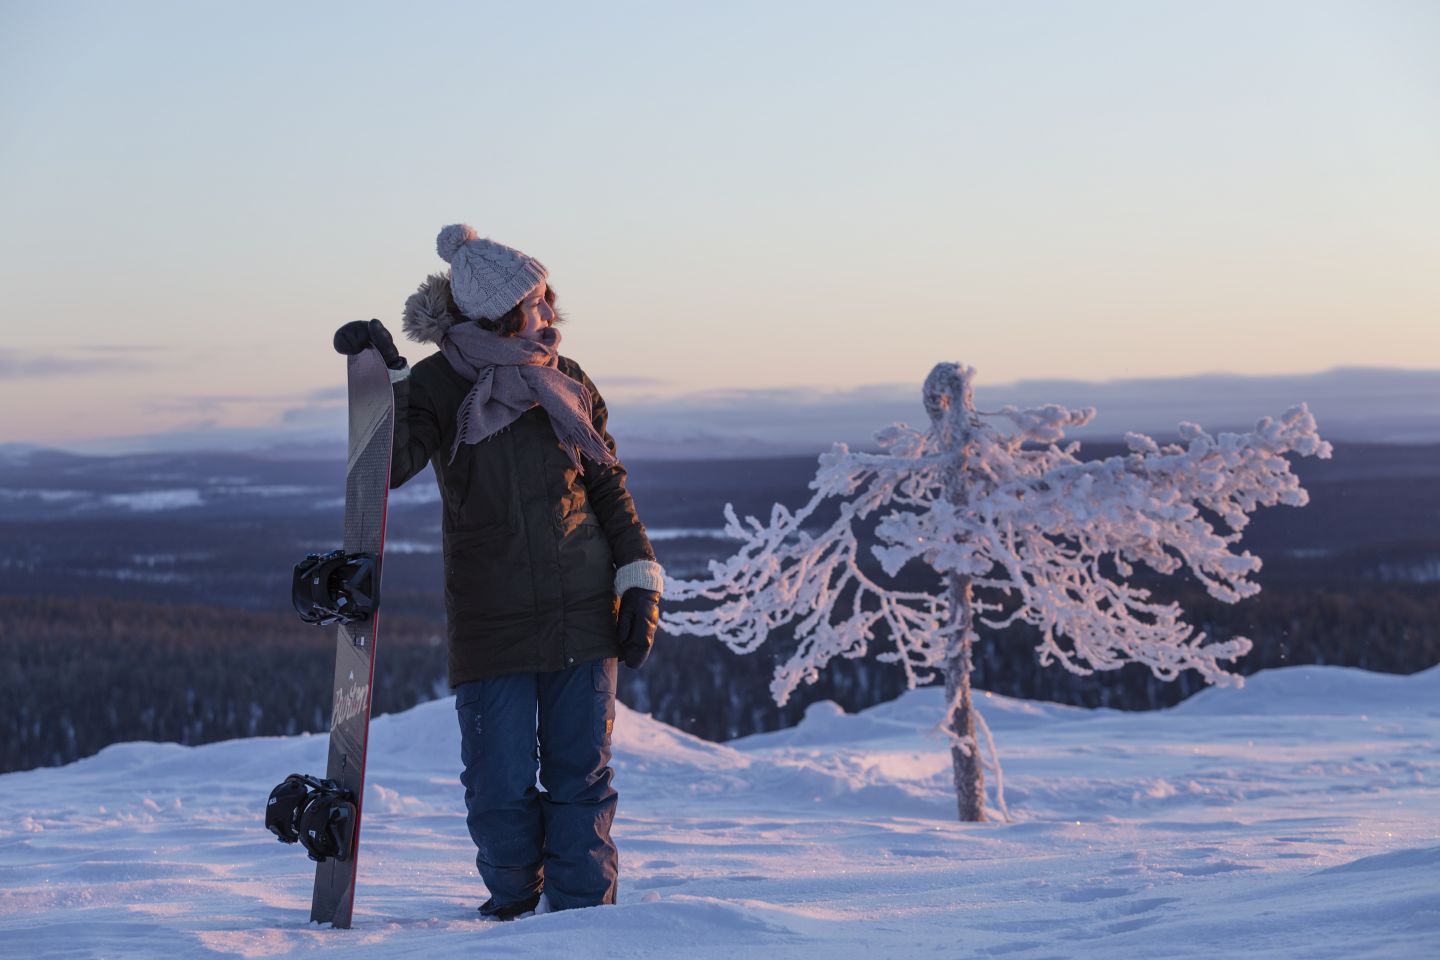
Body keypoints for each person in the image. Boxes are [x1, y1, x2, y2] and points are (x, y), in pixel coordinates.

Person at [332, 223, 664, 920]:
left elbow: (607, 486)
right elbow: (388, 468)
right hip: (493, 615)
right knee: (498, 785)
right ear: (497, 312)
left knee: (582, 779)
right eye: (536, 302)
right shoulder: (440, 383)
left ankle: (582, 922)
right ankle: (515, 909)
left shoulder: (566, 381)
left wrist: (638, 573)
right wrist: (384, 385)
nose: (549, 314)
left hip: (582, 603)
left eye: (549, 299)